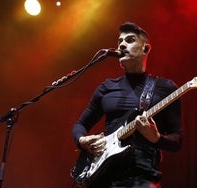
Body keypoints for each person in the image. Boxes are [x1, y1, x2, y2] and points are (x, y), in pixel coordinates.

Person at [72, 22, 182, 188]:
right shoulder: (106, 87)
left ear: (145, 49)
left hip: (142, 177)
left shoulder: (166, 88)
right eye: (119, 41)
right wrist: (83, 140)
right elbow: (80, 124)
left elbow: (177, 139)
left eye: (130, 40)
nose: (122, 44)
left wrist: (156, 138)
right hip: (103, 175)